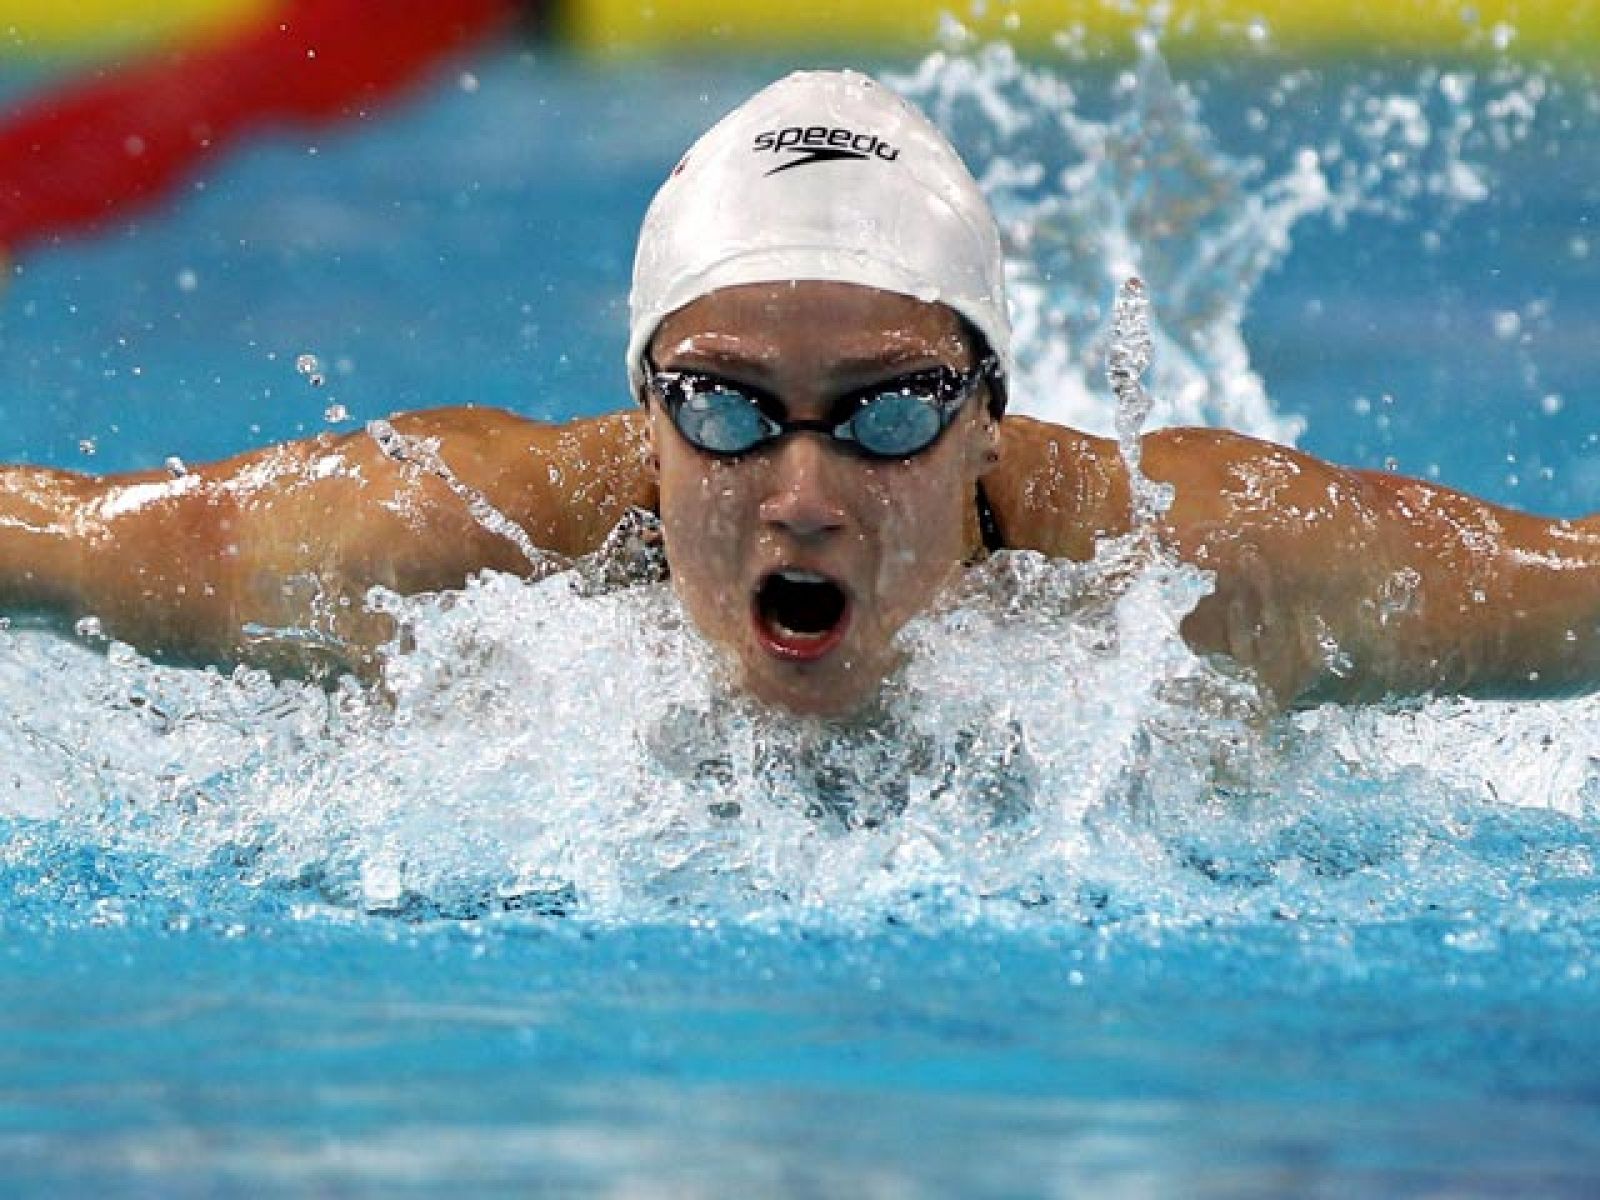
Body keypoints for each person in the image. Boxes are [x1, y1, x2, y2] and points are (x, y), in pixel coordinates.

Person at [2, 69, 1598, 718]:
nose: (806, 491)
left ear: (991, 413)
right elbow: (50, 536)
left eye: (892, 410)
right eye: (726, 407)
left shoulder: (1199, 566)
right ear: (642, 412)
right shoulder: (438, 546)